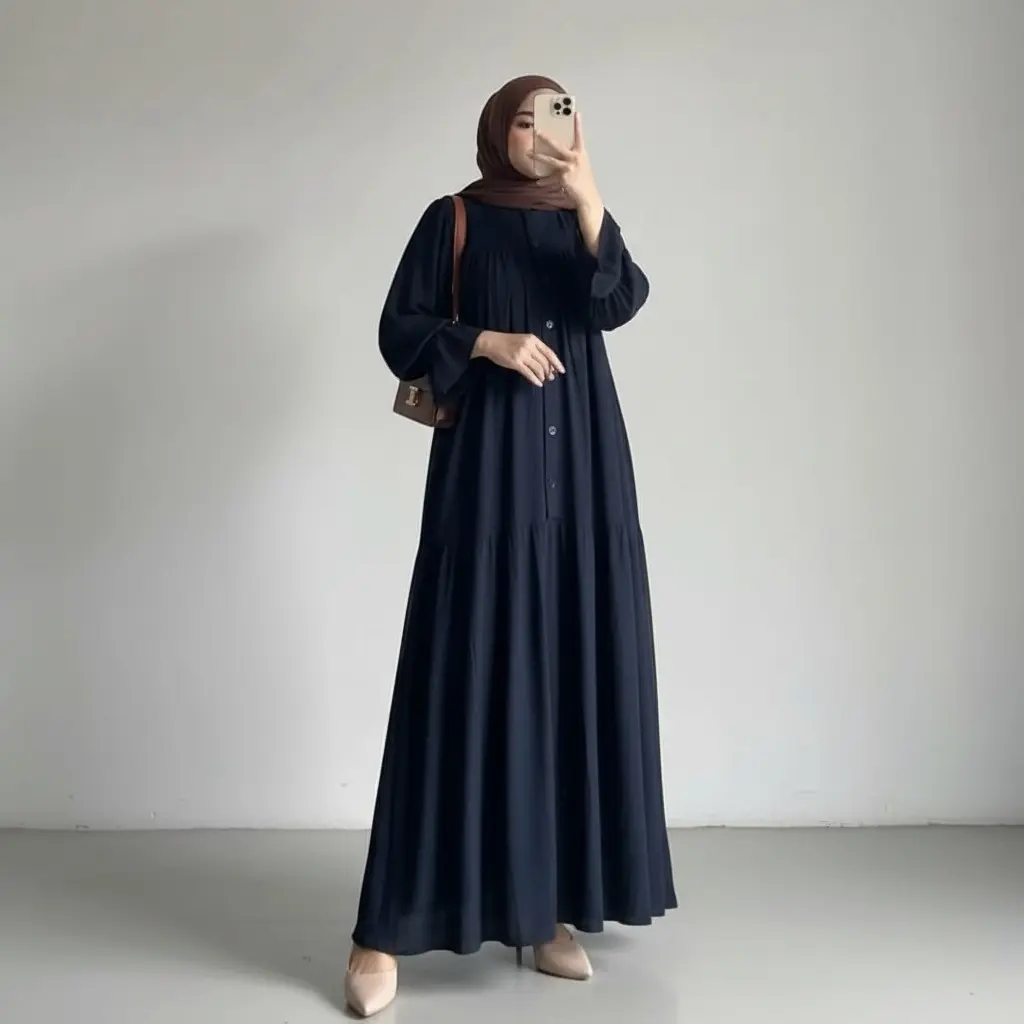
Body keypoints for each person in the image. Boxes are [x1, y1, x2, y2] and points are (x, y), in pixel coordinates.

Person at [344, 74, 677, 1018]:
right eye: (523, 120)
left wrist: (590, 198)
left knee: (566, 676)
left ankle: (545, 911)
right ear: (497, 131)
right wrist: (486, 341)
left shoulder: (578, 220)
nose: (539, 135)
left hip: (586, 483)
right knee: (459, 678)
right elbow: (399, 331)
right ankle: (381, 932)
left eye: (556, 117)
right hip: (489, 481)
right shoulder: (453, 218)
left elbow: (620, 301)